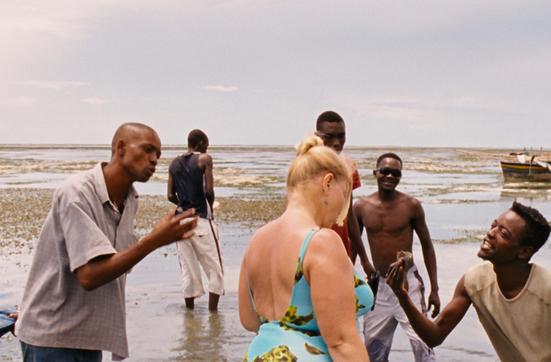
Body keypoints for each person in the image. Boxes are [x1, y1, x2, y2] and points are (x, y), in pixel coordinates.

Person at [15, 123, 198, 361]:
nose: (154, 160)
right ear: (120, 148)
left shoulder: (130, 200)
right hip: (52, 336)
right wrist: (154, 240)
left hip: (89, 337)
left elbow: (117, 263)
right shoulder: (76, 193)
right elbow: (89, 276)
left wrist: (156, 239)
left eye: (158, 155)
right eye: (147, 150)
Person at [386, 202, 551, 362]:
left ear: (523, 252)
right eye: (494, 225)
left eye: (503, 233)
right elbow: (434, 336)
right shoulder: (473, 281)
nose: (491, 233)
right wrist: (402, 295)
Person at [238, 136, 374, 361]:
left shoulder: (256, 241)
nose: (342, 211)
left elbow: (249, 320)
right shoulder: (321, 242)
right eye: (344, 195)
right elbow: (341, 342)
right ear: (327, 183)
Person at [355, 153, 440, 362]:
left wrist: (435, 289)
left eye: (396, 173)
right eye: (385, 171)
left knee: (423, 348)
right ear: (375, 173)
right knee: (373, 352)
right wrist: (349, 280)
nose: (390, 176)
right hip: (379, 286)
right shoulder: (361, 207)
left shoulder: (411, 206)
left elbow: (428, 246)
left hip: (407, 283)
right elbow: (353, 248)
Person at [167, 129, 224, 312]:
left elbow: (169, 195)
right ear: (200, 143)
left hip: (180, 222)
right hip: (201, 219)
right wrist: (210, 207)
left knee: (188, 269)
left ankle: (190, 314)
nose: (207, 149)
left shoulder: (174, 163)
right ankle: (213, 314)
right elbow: (208, 190)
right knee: (215, 268)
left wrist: (184, 206)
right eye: (206, 145)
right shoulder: (204, 159)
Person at [315, 110, 376, 278]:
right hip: (313, 248)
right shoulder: (308, 168)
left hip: (341, 249)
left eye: (341, 136)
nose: (336, 143)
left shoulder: (348, 168)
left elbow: (349, 215)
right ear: (317, 137)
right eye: (330, 137)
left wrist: (364, 259)